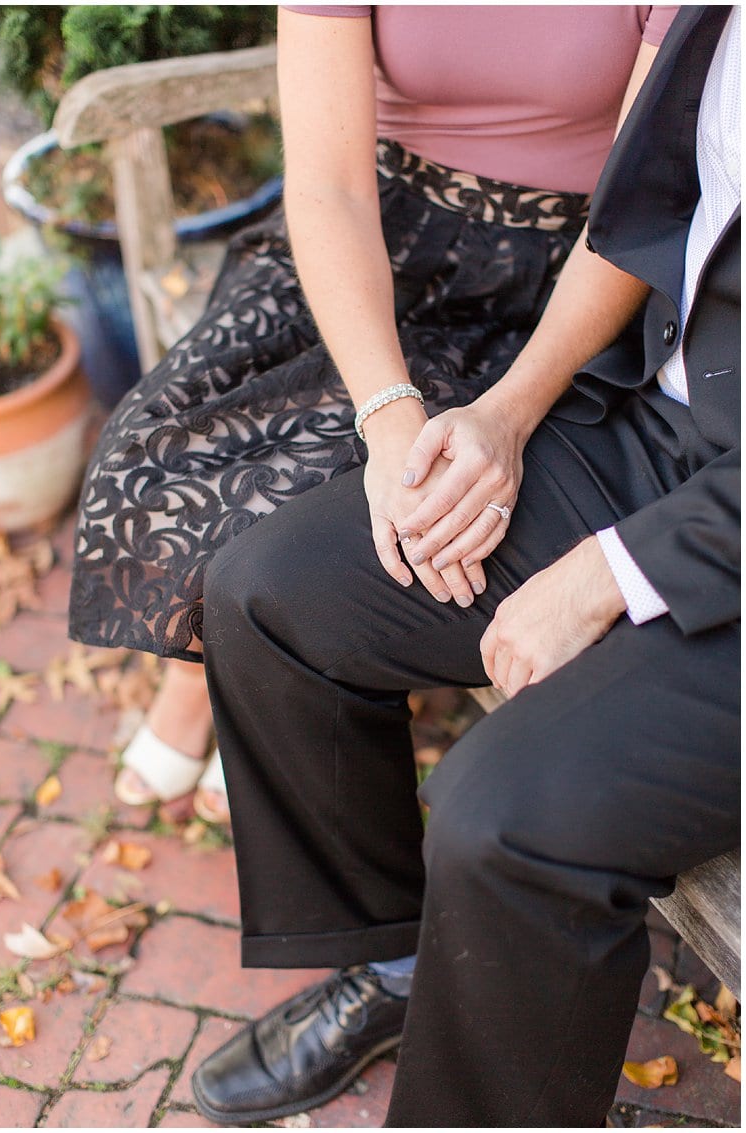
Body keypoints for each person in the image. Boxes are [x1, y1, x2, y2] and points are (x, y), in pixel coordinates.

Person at [192, 5, 738, 1124]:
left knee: (498, 812)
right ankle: (393, 968)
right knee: (269, 594)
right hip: (671, 425)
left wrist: (605, 573)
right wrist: (480, 423)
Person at [66, 5, 677, 826]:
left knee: (391, 491)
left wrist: (508, 413)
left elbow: (635, 211)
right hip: (372, 234)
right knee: (156, 450)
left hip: (566, 278)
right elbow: (325, 183)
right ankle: (202, 678)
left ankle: (263, 689)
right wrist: (387, 414)